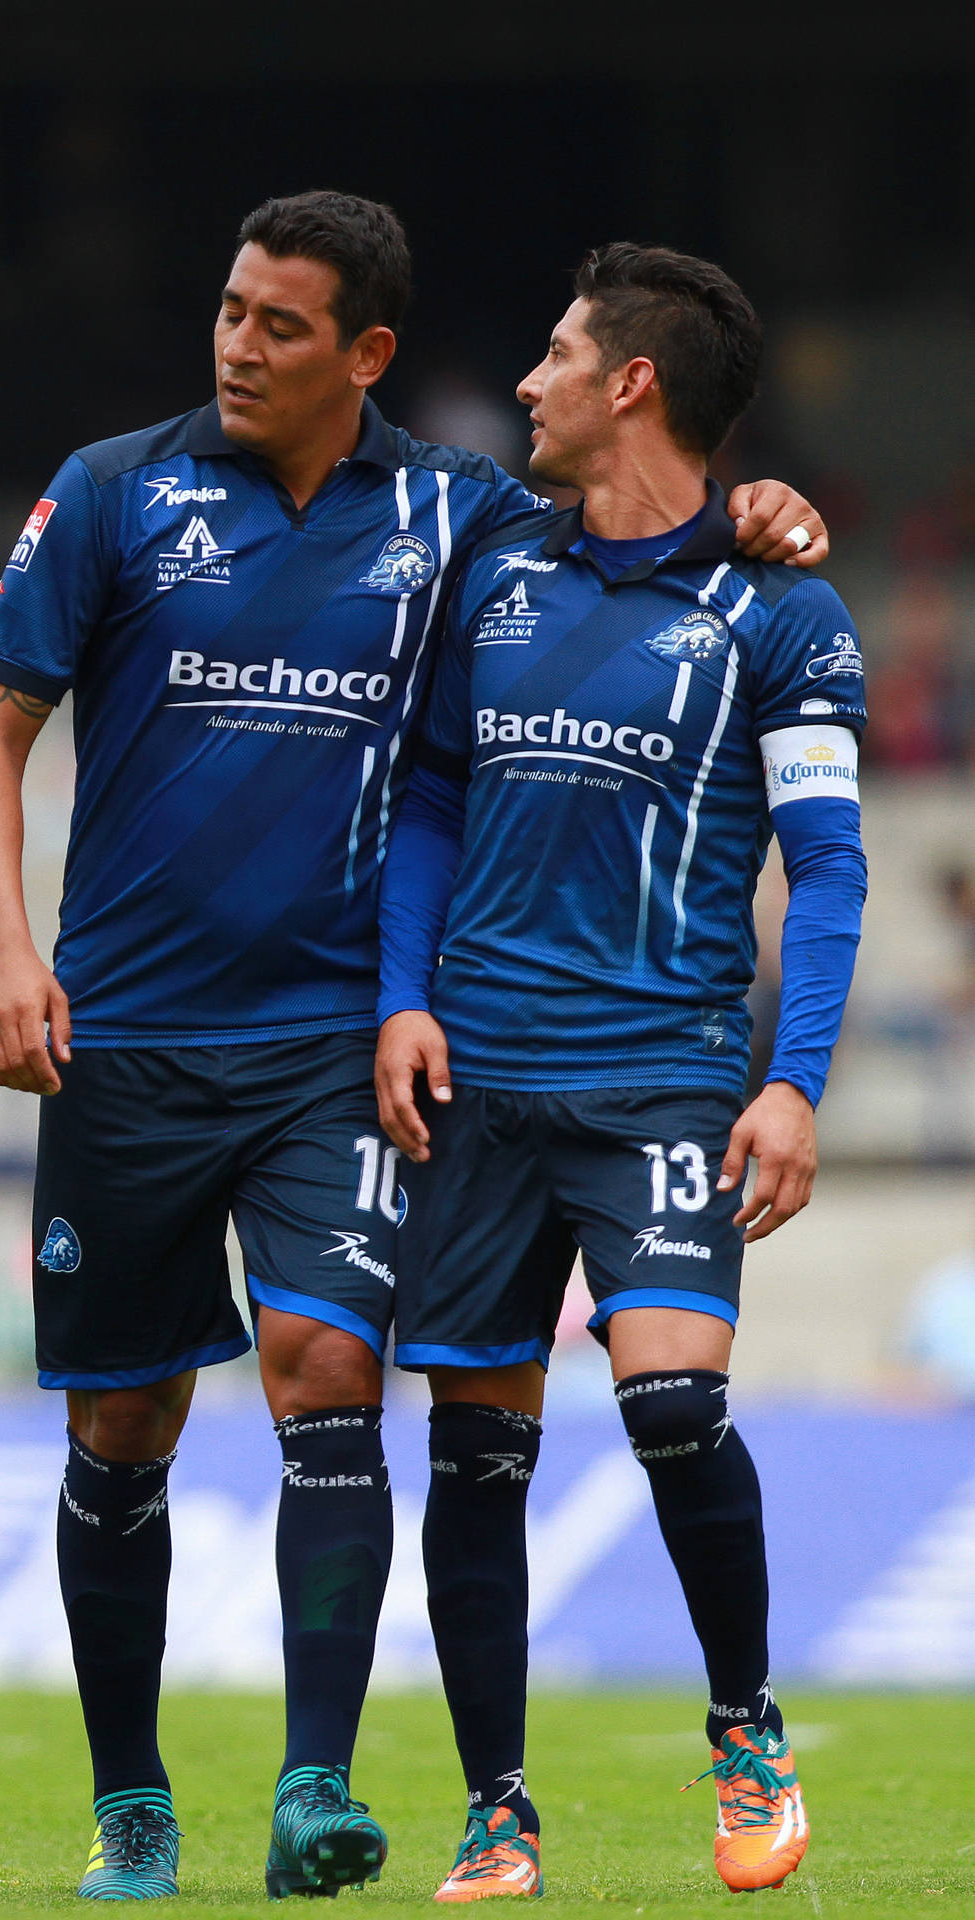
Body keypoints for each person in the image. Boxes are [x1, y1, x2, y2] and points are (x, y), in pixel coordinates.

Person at [0, 194, 829, 1903]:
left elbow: (638, 520)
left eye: (280, 324)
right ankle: (133, 1803)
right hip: (125, 1033)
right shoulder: (114, 490)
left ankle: (314, 1788)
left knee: (328, 1372)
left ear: (366, 353)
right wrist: (3, 953)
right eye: (230, 309)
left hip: (335, 1045)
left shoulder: (460, 512)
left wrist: (761, 508)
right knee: (122, 1423)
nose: (237, 344)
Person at [375, 242, 866, 1900]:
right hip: (480, 1082)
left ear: (631, 382)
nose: (528, 382)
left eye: (559, 354)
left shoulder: (779, 610)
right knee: (472, 1450)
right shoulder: (499, 565)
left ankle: (746, 1731)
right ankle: (496, 1811)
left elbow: (831, 865)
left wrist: (793, 1082)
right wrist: (402, 998)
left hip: (661, 1074)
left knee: (671, 1403)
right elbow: (431, 802)